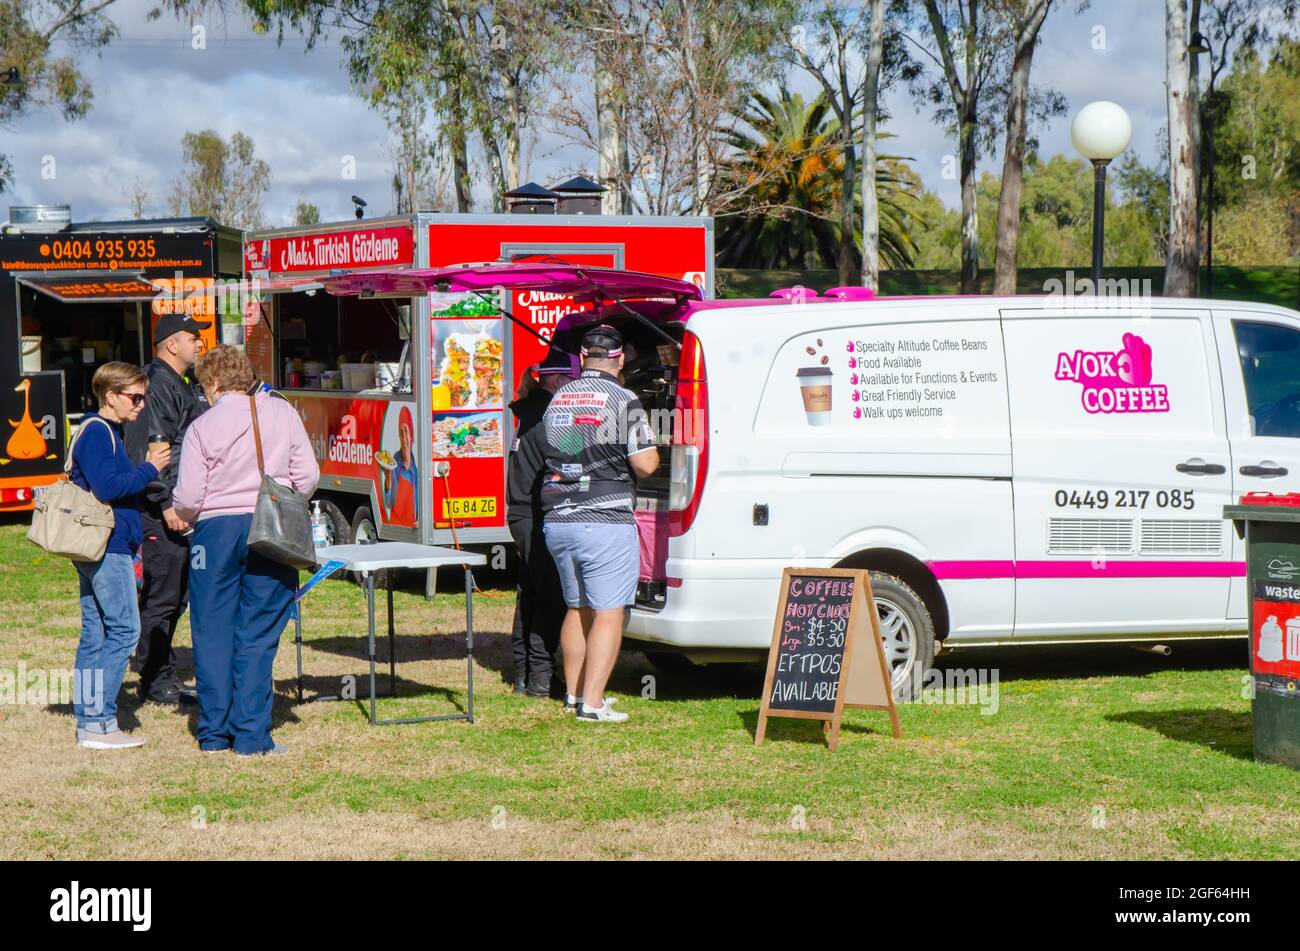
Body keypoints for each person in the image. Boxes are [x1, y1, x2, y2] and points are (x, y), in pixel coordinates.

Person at [173, 345, 319, 755]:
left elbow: (187, 496)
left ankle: (214, 734)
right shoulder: (281, 411)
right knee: (257, 634)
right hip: (269, 526)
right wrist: (285, 498)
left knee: (212, 632)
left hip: (215, 533)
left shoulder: (202, 426)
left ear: (213, 382)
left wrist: (186, 512)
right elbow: (307, 475)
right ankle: (252, 736)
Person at [539, 325, 659, 722]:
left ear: (582, 357)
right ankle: (592, 704)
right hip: (604, 519)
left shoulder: (560, 398)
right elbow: (644, 462)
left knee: (578, 607)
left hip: (559, 517)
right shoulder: (624, 400)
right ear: (620, 359)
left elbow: (570, 448)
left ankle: (574, 695)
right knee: (609, 611)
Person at [68, 362, 171, 748]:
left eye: (143, 397)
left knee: (95, 632)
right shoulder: (98, 433)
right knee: (125, 629)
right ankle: (99, 720)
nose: (141, 404)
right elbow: (108, 487)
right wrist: (150, 467)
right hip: (106, 546)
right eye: (135, 397)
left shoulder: (108, 430)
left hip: (102, 544)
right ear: (110, 396)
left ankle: (88, 721)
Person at [123, 312, 209, 705]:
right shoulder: (157, 384)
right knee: (162, 595)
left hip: (180, 505)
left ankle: (157, 669)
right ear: (171, 344)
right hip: (161, 509)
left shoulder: (181, 383)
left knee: (177, 594)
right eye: (193, 337)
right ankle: (154, 678)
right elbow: (154, 450)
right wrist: (167, 501)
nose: (199, 343)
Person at [507, 348, 579, 698]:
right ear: (555, 379)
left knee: (530, 592)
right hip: (536, 513)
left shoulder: (528, 409)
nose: (575, 386)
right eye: (571, 379)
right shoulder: (551, 414)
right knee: (549, 596)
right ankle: (540, 676)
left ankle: (523, 671)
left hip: (521, 512)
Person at [381, 405, 419, 524]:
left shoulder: (417, 470)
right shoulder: (394, 463)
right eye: (401, 433)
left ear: (411, 434)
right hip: (396, 525)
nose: (404, 438)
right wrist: (387, 477)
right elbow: (388, 502)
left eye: (406, 431)